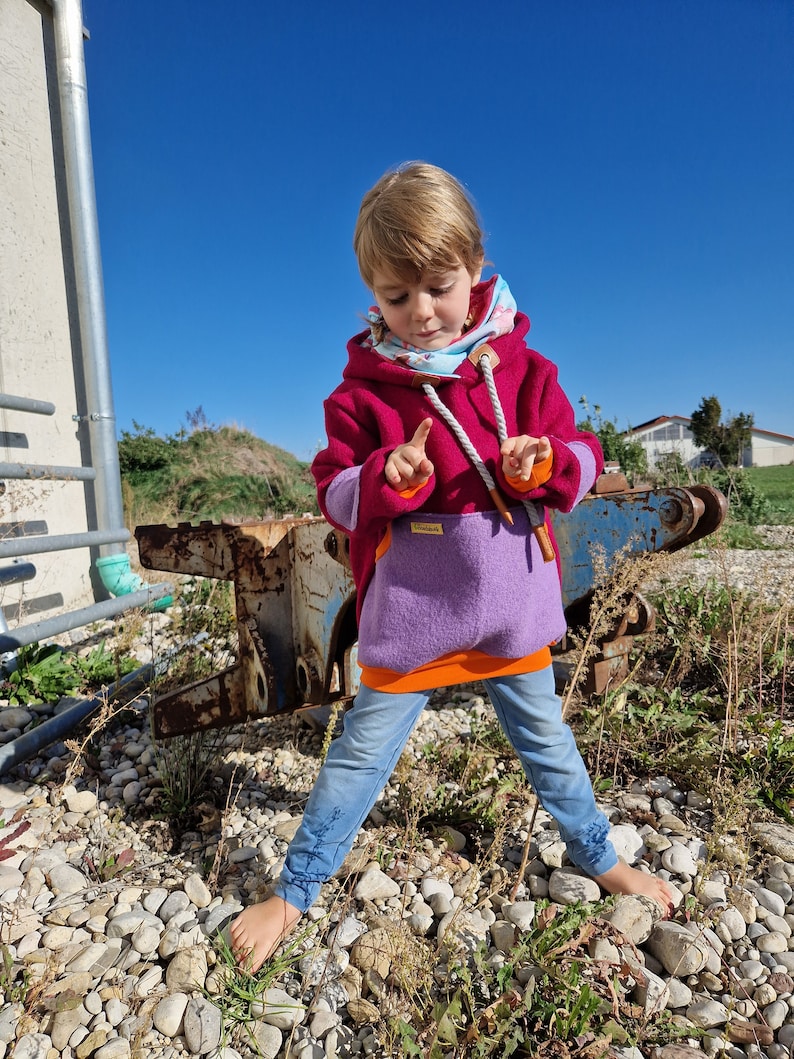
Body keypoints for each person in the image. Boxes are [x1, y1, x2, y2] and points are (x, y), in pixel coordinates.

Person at [231, 161, 671, 972]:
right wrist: (384, 482)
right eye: (397, 298)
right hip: (413, 616)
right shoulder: (359, 395)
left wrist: (542, 462)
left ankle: (600, 856)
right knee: (360, 752)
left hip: (511, 610)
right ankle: (293, 890)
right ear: (372, 295)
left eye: (439, 286)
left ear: (476, 270)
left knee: (547, 741)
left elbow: (582, 450)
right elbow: (332, 492)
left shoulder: (525, 369)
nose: (422, 313)